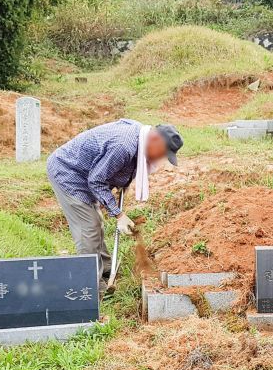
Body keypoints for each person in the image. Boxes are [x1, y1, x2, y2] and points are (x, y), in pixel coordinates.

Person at [46, 119, 182, 279]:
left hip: (86, 173)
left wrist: (124, 183)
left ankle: (105, 271)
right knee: (88, 227)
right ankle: (90, 286)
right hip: (69, 173)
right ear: (155, 140)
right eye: (164, 153)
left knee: (95, 221)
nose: (162, 158)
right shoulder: (123, 146)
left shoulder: (139, 135)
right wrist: (119, 215)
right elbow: (96, 180)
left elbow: (123, 167)